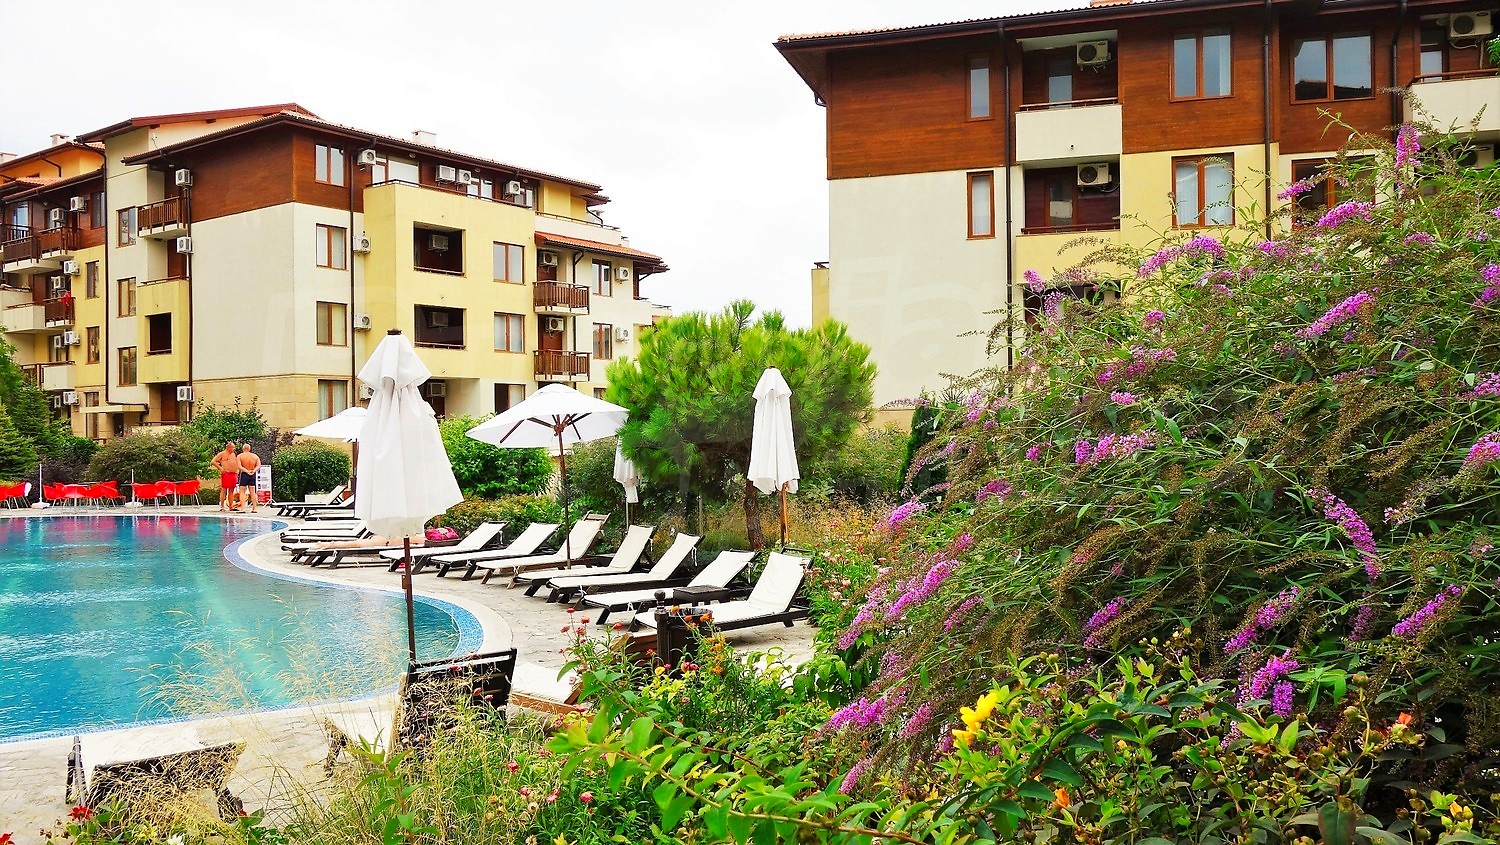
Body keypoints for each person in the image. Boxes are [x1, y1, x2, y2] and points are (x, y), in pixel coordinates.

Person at [210, 442, 240, 512]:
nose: (234, 449)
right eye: (233, 447)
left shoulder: (233, 454)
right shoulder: (222, 454)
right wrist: (220, 468)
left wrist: (237, 470)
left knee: (231, 490)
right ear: (229, 447)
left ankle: (231, 506)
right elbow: (213, 461)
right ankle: (222, 506)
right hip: (226, 473)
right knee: (224, 489)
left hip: (234, 474)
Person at [237, 443, 262, 513]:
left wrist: (246, 471)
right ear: (249, 449)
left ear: (243, 449)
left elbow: (239, 466)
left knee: (242, 491)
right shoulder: (255, 456)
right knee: (253, 491)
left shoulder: (240, 456)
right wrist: (253, 470)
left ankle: (243, 508)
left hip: (244, 474)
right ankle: (254, 508)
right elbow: (259, 465)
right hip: (252, 473)